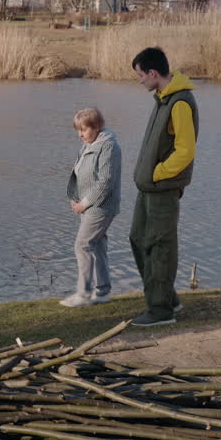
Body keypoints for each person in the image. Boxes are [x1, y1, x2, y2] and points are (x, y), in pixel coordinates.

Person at [128, 47, 198, 327]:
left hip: (162, 188)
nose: (140, 81)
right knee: (138, 239)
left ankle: (160, 311)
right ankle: (167, 297)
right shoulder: (162, 99)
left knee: (159, 245)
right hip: (148, 188)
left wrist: (158, 173)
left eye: (140, 75)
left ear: (153, 73)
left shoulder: (179, 102)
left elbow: (185, 151)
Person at [60, 107, 122, 308]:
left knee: (83, 244)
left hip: (101, 207)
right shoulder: (88, 145)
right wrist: (75, 198)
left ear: (96, 127)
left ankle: (84, 294)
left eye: (83, 130)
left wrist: (85, 202)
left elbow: (106, 182)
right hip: (87, 206)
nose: (80, 135)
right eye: (78, 130)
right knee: (96, 245)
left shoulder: (108, 147)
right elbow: (79, 173)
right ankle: (102, 292)